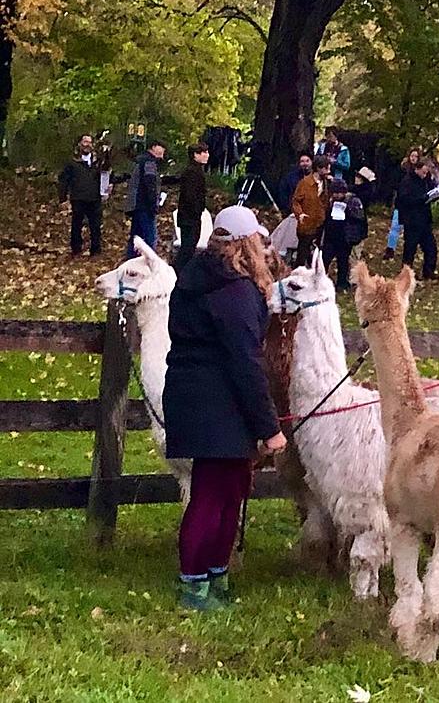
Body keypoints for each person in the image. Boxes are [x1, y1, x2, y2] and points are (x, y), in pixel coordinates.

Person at [163, 205, 286, 612]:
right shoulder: (236, 293)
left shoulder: (194, 280)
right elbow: (245, 363)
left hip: (197, 398)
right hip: (219, 404)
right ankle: (194, 585)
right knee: (212, 496)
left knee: (228, 491)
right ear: (247, 244)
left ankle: (216, 575)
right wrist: (269, 427)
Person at [58, 133, 103, 258]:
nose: (87, 145)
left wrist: (108, 186)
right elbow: (63, 180)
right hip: (78, 198)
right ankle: (76, 249)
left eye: (89, 142)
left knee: (95, 226)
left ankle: (96, 250)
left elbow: (105, 176)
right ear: (80, 144)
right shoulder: (72, 162)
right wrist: (63, 198)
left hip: (94, 198)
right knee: (76, 225)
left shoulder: (98, 162)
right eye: (85, 142)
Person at [320, 177, 366, 291]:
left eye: (339, 193)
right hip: (331, 236)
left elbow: (360, 218)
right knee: (325, 259)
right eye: (334, 193)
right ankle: (321, 279)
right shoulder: (330, 202)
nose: (336, 195)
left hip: (345, 237)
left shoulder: (353, 201)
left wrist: (347, 211)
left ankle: (342, 283)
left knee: (343, 261)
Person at [397, 160, 439, 280]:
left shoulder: (426, 181)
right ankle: (406, 273)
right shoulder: (407, 182)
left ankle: (428, 270)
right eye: (424, 172)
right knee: (410, 248)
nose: (425, 174)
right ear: (417, 169)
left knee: (431, 247)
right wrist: (422, 198)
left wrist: (435, 194)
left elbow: (431, 190)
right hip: (412, 220)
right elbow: (405, 200)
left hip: (425, 219)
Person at [125, 140, 167, 258]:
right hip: (145, 206)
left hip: (136, 205)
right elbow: (150, 185)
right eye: (161, 147)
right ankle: (149, 264)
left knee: (135, 237)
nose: (163, 151)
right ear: (153, 147)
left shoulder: (140, 161)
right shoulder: (149, 162)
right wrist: (154, 205)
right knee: (149, 238)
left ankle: (130, 262)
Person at [174, 143, 210, 275]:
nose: (207, 155)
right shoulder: (192, 172)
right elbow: (190, 195)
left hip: (190, 216)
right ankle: (179, 273)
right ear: (195, 155)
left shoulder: (196, 171)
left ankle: (181, 272)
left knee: (189, 246)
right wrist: (197, 209)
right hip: (190, 217)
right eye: (203, 152)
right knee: (187, 248)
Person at [383, 147, 421, 260]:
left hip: (414, 205)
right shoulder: (403, 169)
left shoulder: (420, 171)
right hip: (401, 202)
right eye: (412, 156)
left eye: (416, 157)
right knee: (395, 226)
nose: (413, 158)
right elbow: (395, 184)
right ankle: (390, 249)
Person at [291, 155, 330, 266]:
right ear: (318, 168)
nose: (328, 171)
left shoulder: (326, 183)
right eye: (326, 168)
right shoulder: (304, 183)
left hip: (320, 224)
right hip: (306, 225)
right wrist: (300, 214)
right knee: (302, 254)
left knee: (316, 254)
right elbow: (295, 201)